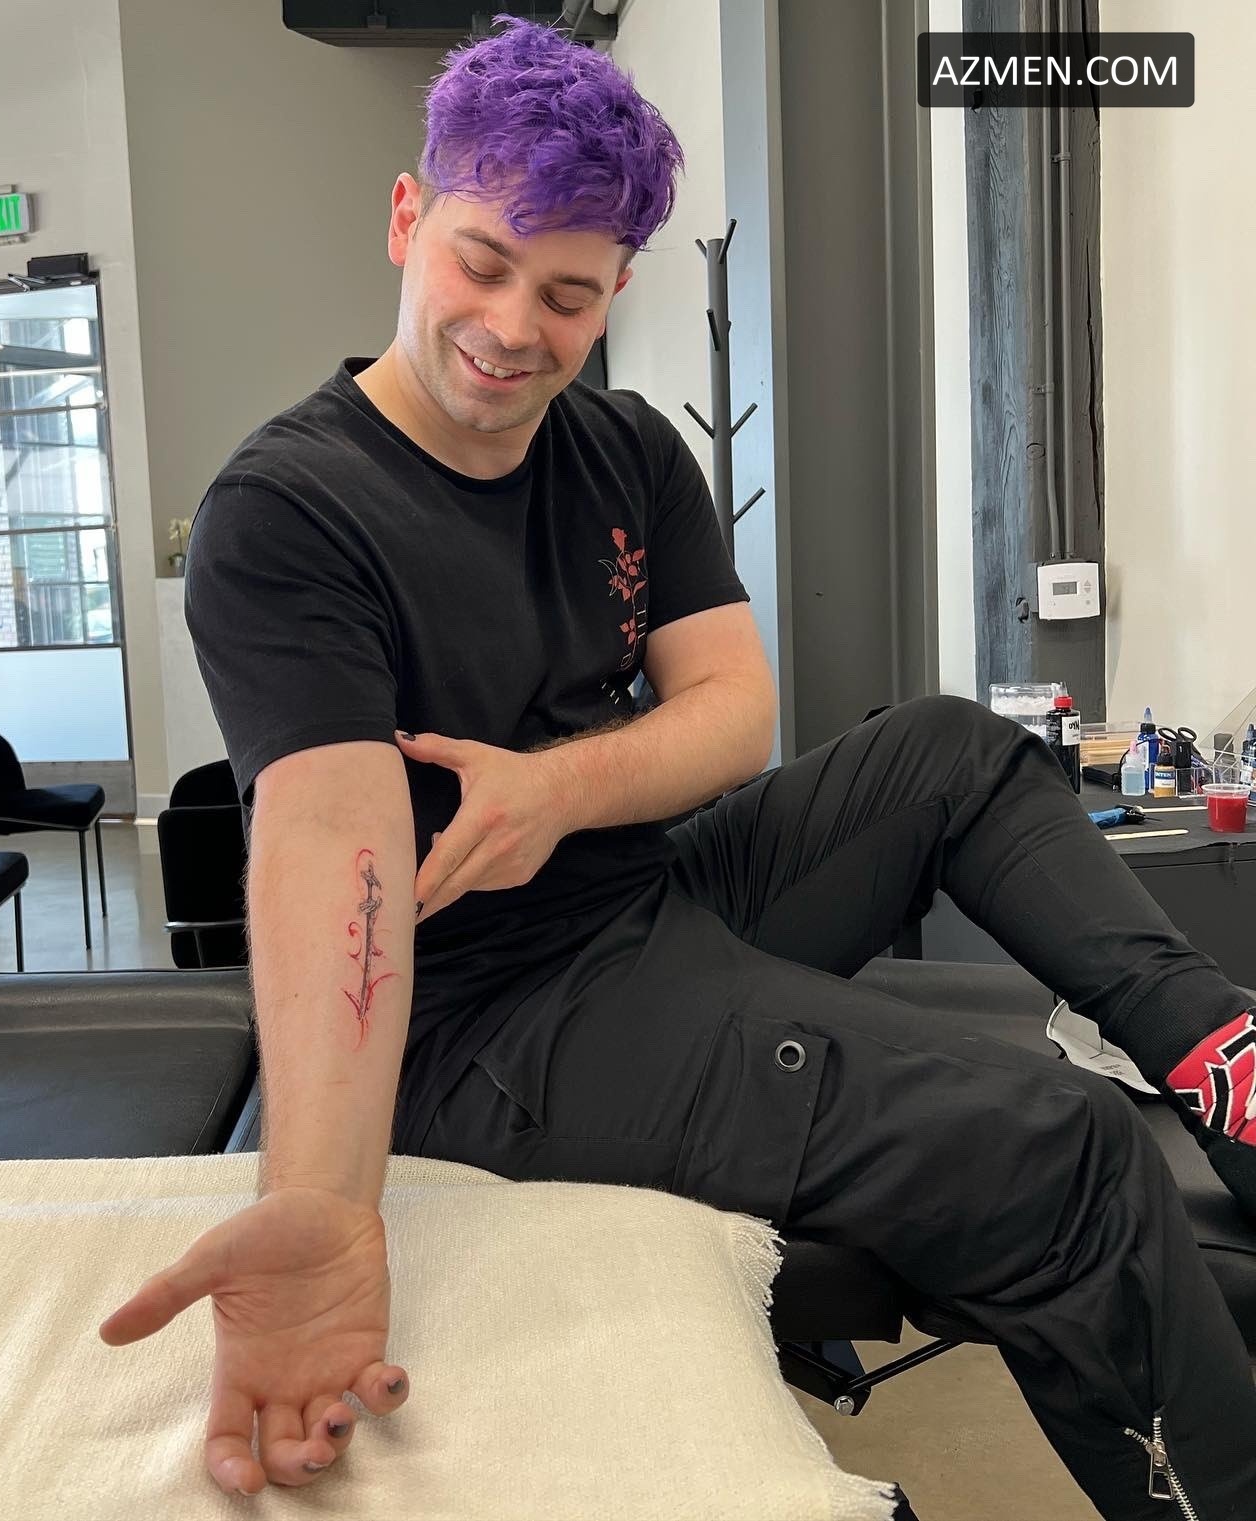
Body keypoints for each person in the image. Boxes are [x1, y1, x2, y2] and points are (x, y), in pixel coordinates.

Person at [97, 16, 1256, 1516]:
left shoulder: (627, 451)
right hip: (484, 1025)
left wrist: (552, 789)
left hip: (644, 903)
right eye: (480, 263)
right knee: (1067, 1149)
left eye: (566, 294)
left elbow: (731, 713)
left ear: (618, 291)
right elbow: (332, 846)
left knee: (952, 747)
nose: (512, 327)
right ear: (406, 217)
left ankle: (1226, 1067)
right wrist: (321, 1203)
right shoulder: (289, 510)